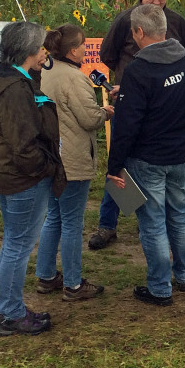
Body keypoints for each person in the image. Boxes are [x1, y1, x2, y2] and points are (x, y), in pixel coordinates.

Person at [105, 4, 185, 306]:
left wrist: (115, 165)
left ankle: (160, 287)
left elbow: (127, 126)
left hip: (149, 159)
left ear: (139, 32)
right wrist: (131, 94)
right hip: (181, 154)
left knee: (153, 222)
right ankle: (184, 275)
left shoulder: (139, 70)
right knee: (179, 213)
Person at [0, 21, 66, 337]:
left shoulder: (15, 79)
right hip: (23, 180)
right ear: (29, 51)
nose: (45, 52)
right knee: (17, 244)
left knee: (15, 242)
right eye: (41, 47)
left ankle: (11, 310)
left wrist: (35, 71)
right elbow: (23, 144)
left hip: (11, 175)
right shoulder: (14, 90)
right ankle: (12, 314)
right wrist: (45, 168)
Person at [90, 0, 185, 250]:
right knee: (120, 161)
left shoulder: (177, 23)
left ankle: (147, 220)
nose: (157, 1)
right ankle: (107, 224)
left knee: (148, 164)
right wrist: (127, 82)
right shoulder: (126, 20)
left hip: (163, 106)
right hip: (130, 98)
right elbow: (107, 55)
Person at [34, 24, 115, 301]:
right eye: (82, 45)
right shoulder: (75, 79)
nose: (85, 49)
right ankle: (73, 283)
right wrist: (105, 111)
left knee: (54, 216)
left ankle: (45, 276)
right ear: (72, 50)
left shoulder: (44, 72)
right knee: (71, 221)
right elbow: (89, 118)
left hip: (52, 157)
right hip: (72, 160)